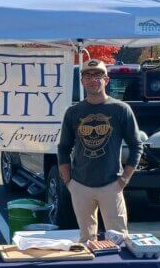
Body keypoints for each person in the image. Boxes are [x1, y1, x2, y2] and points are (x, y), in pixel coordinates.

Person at [57, 59, 142, 243]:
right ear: (82, 81)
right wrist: (68, 181)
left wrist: (124, 179)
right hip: (80, 185)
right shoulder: (73, 112)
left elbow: (137, 146)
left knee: (119, 240)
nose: (92, 79)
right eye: (87, 75)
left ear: (106, 80)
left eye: (97, 75)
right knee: (86, 240)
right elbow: (63, 148)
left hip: (111, 184)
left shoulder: (121, 110)